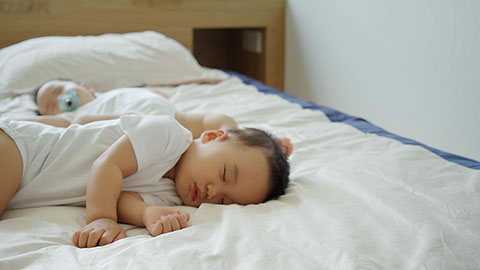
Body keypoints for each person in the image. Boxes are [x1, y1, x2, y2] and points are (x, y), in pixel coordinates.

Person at [0, 114, 290, 248]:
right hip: (21, 150)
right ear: (212, 137)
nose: (213, 192)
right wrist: (101, 217)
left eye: (225, 200)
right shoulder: (168, 135)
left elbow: (124, 197)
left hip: (23, 186)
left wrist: (146, 214)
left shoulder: (174, 195)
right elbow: (109, 165)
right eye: (225, 174)